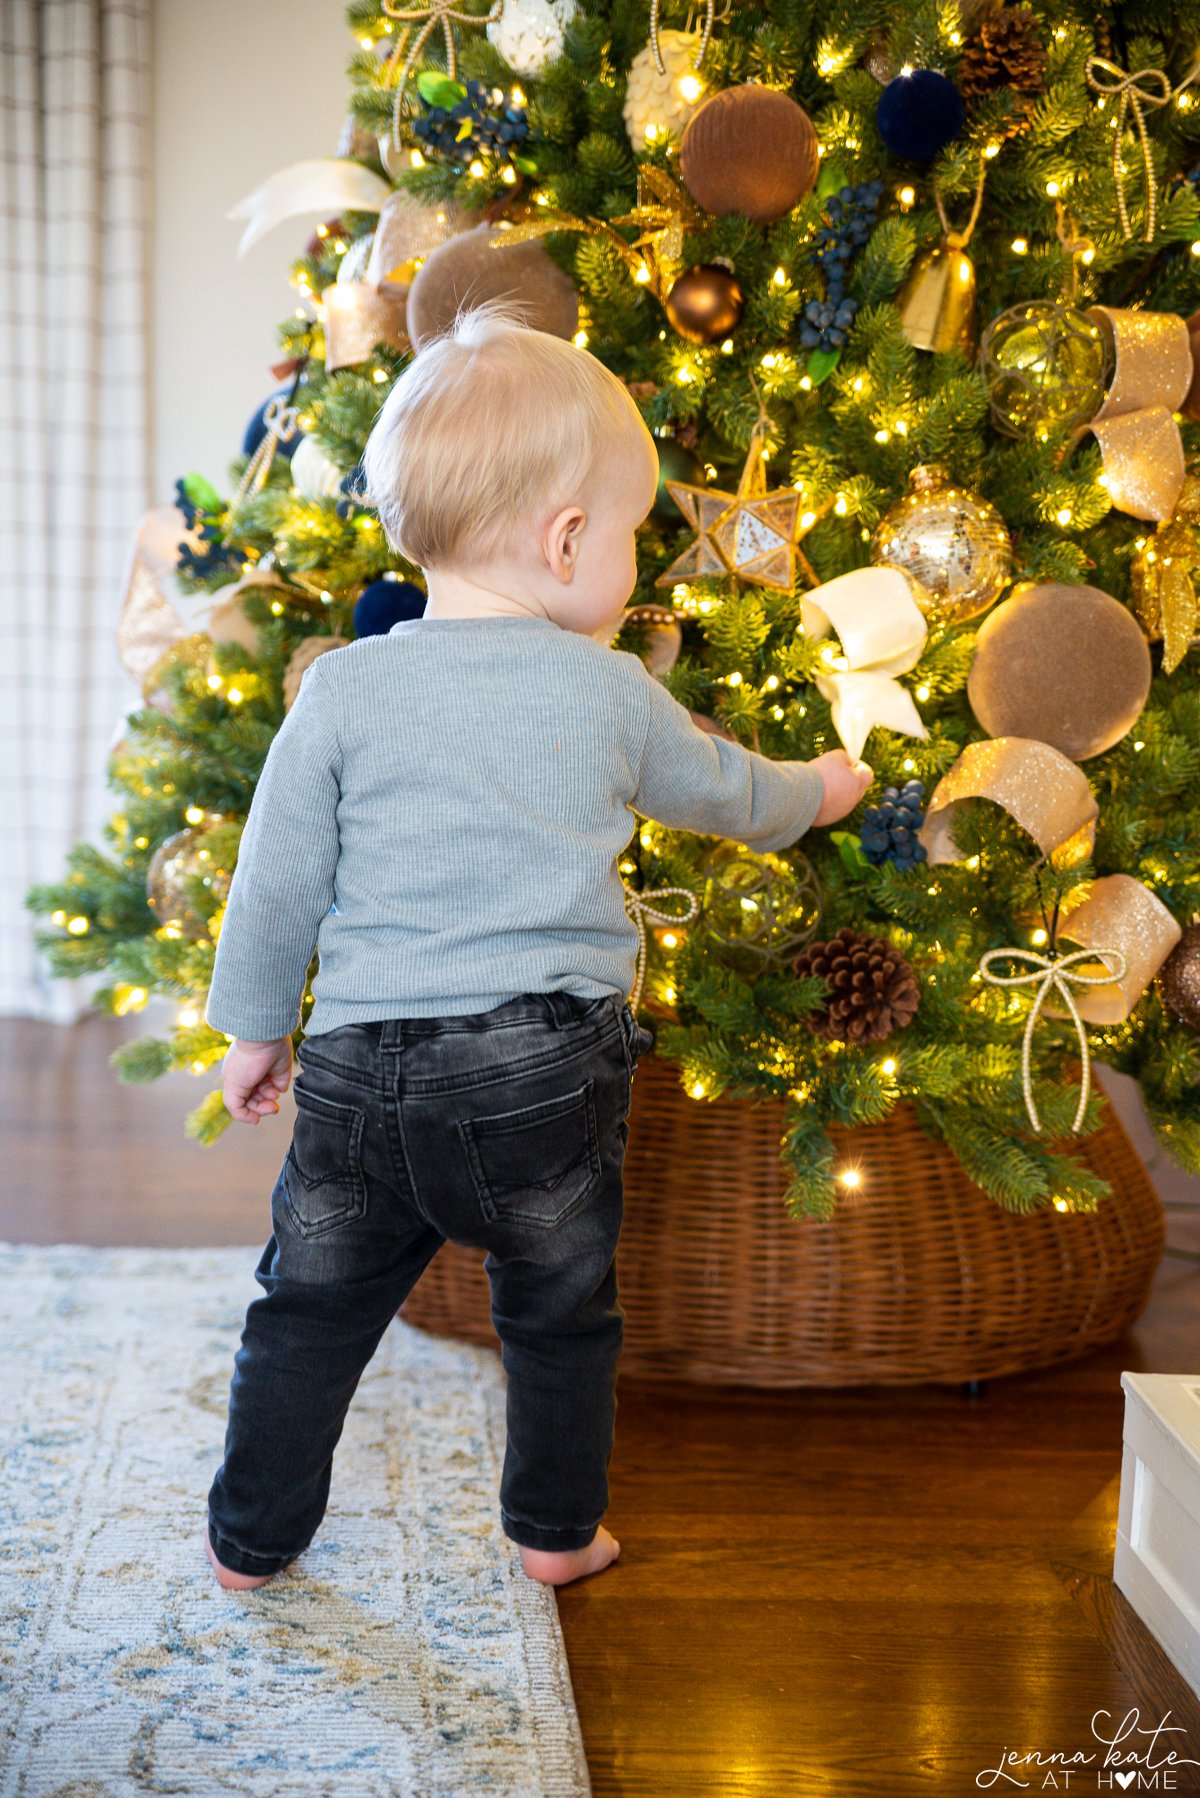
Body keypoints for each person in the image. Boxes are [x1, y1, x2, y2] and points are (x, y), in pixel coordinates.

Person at [202, 303, 873, 1594]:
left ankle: (250, 1543)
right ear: (567, 538)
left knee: (308, 1312)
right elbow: (730, 791)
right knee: (559, 1318)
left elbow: (276, 881)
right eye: (626, 533)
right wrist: (823, 790)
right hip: (540, 1072)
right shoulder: (608, 688)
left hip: (358, 1073)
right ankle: (556, 1533)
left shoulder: (343, 687)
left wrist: (253, 1032)